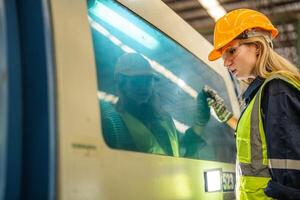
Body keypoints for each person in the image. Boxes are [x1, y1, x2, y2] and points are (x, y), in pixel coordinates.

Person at [203, 8, 300, 200]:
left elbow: (291, 173)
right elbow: (261, 143)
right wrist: (228, 118)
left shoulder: (277, 89)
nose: (226, 62)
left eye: (232, 50)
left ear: (256, 45)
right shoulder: (262, 93)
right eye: (223, 56)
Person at [100, 53, 209, 157]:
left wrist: (200, 122)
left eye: (147, 81)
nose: (143, 87)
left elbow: (183, 151)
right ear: (121, 84)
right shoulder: (114, 124)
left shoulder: (165, 119)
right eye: (137, 81)